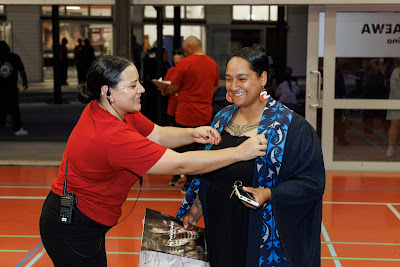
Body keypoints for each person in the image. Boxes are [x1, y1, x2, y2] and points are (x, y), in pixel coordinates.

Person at [39, 55, 267, 267]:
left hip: (83, 219)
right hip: (72, 226)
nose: (141, 89)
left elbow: (156, 133)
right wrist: (240, 152)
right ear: (107, 91)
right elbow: (181, 164)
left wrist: (191, 133)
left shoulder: (115, 109)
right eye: (132, 86)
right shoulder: (112, 136)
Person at [177, 45, 325, 267]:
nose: (234, 86)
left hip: (259, 231)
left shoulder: (291, 127)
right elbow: (207, 170)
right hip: (220, 225)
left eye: (242, 78)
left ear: (263, 77)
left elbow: (312, 182)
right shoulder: (221, 118)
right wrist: (195, 210)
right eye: (228, 79)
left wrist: (268, 193)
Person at [160, 36, 219, 192]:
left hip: (185, 113)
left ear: (190, 47)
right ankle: (196, 183)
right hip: (205, 113)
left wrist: (163, 90)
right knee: (201, 150)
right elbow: (214, 88)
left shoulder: (185, 63)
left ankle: (186, 182)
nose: (185, 51)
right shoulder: (213, 64)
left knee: (184, 150)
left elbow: (173, 88)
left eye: (185, 48)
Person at [156, 48, 185, 186]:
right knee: (174, 143)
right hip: (172, 110)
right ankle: (176, 174)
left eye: (179, 62)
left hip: (184, 110)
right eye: (175, 62)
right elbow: (164, 91)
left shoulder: (187, 71)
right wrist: (163, 88)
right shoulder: (171, 71)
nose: (177, 64)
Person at [0, 41, 29, 136]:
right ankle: (18, 128)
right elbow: (22, 70)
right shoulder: (14, 57)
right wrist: (25, 81)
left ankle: (2, 122)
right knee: (14, 108)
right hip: (11, 87)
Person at [386, 60, 400, 157]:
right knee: (394, 124)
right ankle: (390, 148)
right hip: (396, 102)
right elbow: (395, 90)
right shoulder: (397, 72)